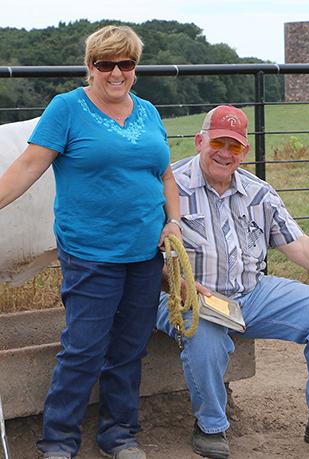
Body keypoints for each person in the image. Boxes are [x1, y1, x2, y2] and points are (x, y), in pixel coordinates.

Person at [156, 105, 309, 459]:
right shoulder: (169, 185)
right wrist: (177, 285)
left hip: (250, 294)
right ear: (200, 140)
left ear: (244, 151)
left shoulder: (258, 192)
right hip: (185, 296)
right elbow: (140, 255)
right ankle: (211, 425)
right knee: (204, 334)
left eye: (234, 147)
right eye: (218, 142)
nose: (224, 153)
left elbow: (300, 244)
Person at [0, 25, 181, 459]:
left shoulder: (148, 111)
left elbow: (166, 174)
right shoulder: (67, 109)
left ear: (135, 67)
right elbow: (28, 166)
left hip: (144, 252)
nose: (116, 73)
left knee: (130, 347)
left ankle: (118, 433)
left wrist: (173, 221)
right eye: (105, 64)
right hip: (90, 252)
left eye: (126, 64)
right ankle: (58, 439)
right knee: (83, 347)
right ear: (90, 68)